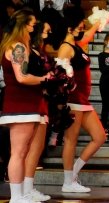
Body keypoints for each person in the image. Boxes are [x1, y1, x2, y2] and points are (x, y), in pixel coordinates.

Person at [0, 9, 51, 203]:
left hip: (30, 104)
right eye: (31, 24)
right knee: (19, 152)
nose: (33, 28)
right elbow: (21, 77)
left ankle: (22, 194)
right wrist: (45, 79)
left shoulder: (22, 45)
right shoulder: (17, 47)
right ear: (23, 25)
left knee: (24, 152)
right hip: (20, 105)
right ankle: (16, 197)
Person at [57, 6, 104, 193]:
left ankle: (73, 174)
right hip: (73, 100)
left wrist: (98, 23)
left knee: (100, 137)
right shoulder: (65, 48)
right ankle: (68, 182)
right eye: (80, 26)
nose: (82, 28)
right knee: (71, 140)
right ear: (70, 28)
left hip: (83, 101)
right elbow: (59, 77)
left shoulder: (77, 45)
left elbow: (86, 38)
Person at [22, 19, 53, 202]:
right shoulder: (27, 50)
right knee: (26, 148)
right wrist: (45, 78)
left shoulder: (40, 51)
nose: (48, 34)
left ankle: (29, 187)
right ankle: (23, 191)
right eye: (45, 31)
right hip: (29, 102)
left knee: (37, 147)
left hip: (41, 101)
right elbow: (24, 77)